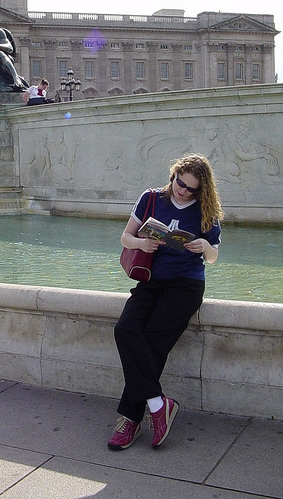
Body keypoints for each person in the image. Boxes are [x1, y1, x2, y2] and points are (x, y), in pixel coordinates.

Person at [108, 153, 223, 451]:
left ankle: (129, 420)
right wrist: (142, 243)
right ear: (172, 175)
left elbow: (213, 257)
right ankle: (159, 405)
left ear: (202, 190)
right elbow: (125, 237)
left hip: (186, 285)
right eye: (179, 183)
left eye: (191, 189)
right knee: (125, 330)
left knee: (152, 342)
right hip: (151, 280)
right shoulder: (151, 198)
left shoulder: (205, 210)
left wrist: (204, 246)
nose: (182, 191)